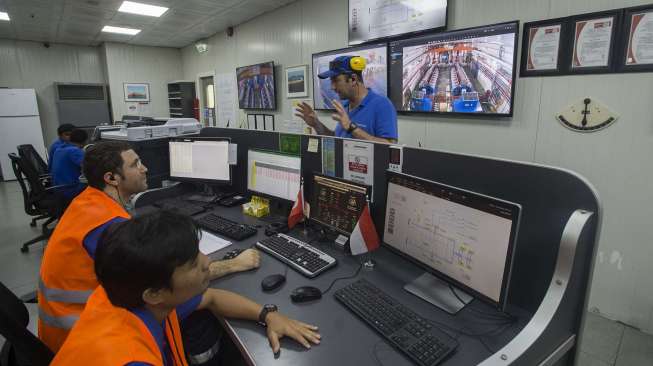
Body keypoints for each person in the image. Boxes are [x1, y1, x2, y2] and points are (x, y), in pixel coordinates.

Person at [38, 140, 260, 353]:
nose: (145, 168)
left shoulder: (89, 203)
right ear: (112, 178)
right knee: (199, 316)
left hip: (83, 320)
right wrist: (235, 264)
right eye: (135, 164)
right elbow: (168, 276)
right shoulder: (107, 227)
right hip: (83, 336)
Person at [51, 210, 320, 365]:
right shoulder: (129, 359)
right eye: (192, 263)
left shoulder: (125, 296)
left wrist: (269, 315)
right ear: (154, 293)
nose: (207, 262)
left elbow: (211, 298)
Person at [295, 55, 398, 143]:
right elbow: (337, 139)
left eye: (336, 80)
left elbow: (389, 145)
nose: (332, 87)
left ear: (353, 79)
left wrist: (351, 127)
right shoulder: (345, 106)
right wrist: (316, 124)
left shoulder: (382, 105)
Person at [51, 129, 88, 199]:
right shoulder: (75, 151)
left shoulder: (59, 149)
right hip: (70, 189)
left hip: (59, 189)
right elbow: (89, 168)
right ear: (85, 141)